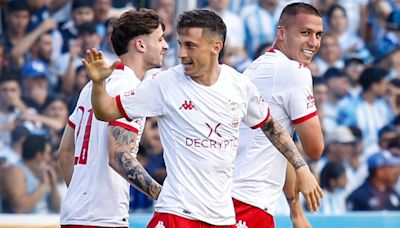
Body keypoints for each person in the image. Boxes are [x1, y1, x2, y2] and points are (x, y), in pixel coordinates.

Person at [83, 9, 322, 227]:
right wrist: (98, 84)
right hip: (177, 213)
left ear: (215, 46)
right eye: (180, 45)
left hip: (224, 217)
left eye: (190, 46)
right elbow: (106, 110)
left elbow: (272, 127)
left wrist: (302, 169)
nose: (182, 54)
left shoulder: (239, 85)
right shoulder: (163, 84)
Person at [58, 9, 168, 227]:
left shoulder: (91, 86)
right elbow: (118, 155)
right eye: (160, 38)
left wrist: (83, 196)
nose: (165, 46)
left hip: (76, 213)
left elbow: (64, 152)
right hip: (102, 219)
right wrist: (164, 196)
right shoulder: (130, 89)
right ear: (141, 45)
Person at [232, 3, 324, 228]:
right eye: (305, 33)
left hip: (235, 197)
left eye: (318, 35)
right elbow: (314, 149)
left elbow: (280, 140)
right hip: (247, 200)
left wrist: (296, 211)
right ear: (281, 33)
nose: (313, 42)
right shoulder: (294, 72)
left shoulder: (257, 66)